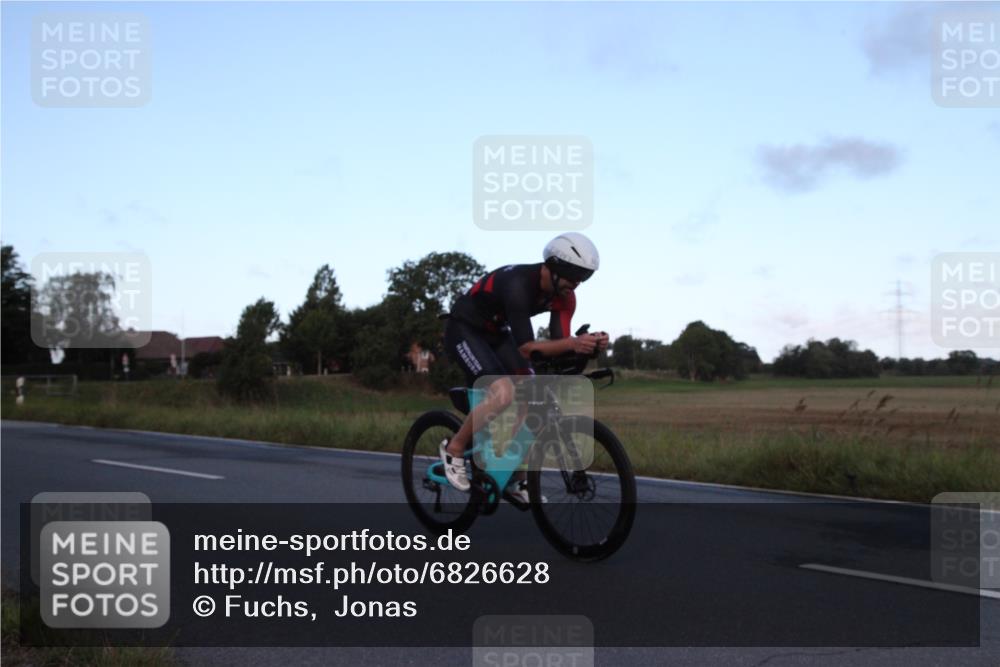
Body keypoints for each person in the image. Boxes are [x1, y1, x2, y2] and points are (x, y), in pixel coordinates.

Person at [439, 232, 609, 501]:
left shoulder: (565, 297)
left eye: (584, 277)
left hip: (497, 333)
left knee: (535, 400)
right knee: (503, 393)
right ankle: (455, 449)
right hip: (465, 329)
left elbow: (560, 345)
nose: (576, 284)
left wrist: (588, 347)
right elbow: (527, 348)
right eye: (573, 275)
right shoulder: (518, 285)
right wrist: (573, 343)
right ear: (553, 267)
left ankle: (514, 478)